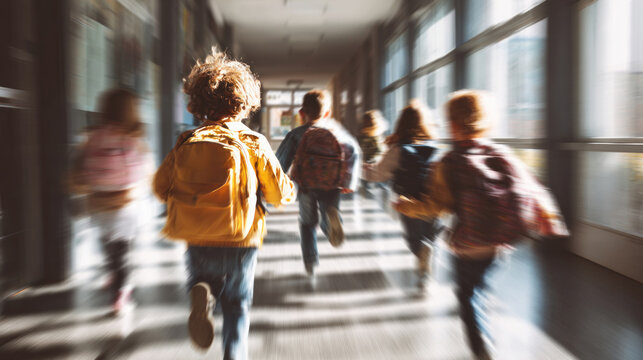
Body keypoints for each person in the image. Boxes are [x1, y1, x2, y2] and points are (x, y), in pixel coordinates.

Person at [395, 90, 567, 360]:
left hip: (468, 244)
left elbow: (435, 205)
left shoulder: (449, 163)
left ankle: (481, 345)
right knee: (481, 286)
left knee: (468, 294)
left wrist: (406, 205)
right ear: (487, 121)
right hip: (501, 241)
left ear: (452, 125)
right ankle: (484, 329)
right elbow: (534, 188)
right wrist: (550, 218)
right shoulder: (501, 153)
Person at [153, 49, 296, 359]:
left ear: (200, 103)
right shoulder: (253, 142)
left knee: (202, 276)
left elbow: (159, 187)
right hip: (240, 237)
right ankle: (234, 353)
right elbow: (276, 195)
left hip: (195, 234)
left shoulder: (186, 141)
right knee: (237, 304)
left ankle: (201, 289)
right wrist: (289, 190)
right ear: (243, 103)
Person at [70, 88, 150, 315]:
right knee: (123, 247)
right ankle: (121, 291)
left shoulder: (93, 134)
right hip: (126, 201)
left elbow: (81, 165)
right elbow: (143, 169)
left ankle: (114, 272)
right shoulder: (132, 136)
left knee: (106, 242)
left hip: (99, 199)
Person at [275, 90, 361, 276]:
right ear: (328, 113)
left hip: (306, 185)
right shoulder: (337, 133)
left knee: (307, 223)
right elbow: (354, 151)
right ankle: (331, 223)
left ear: (301, 113)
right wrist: (348, 182)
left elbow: (279, 163)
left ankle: (310, 260)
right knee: (328, 211)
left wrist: (277, 185)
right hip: (332, 184)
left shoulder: (296, 134)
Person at [362, 100, 441, 291]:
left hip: (407, 200)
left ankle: (422, 259)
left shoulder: (397, 149)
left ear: (401, 123)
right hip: (434, 200)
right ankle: (427, 259)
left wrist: (363, 170)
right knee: (430, 233)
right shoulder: (435, 148)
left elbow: (378, 175)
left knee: (414, 237)